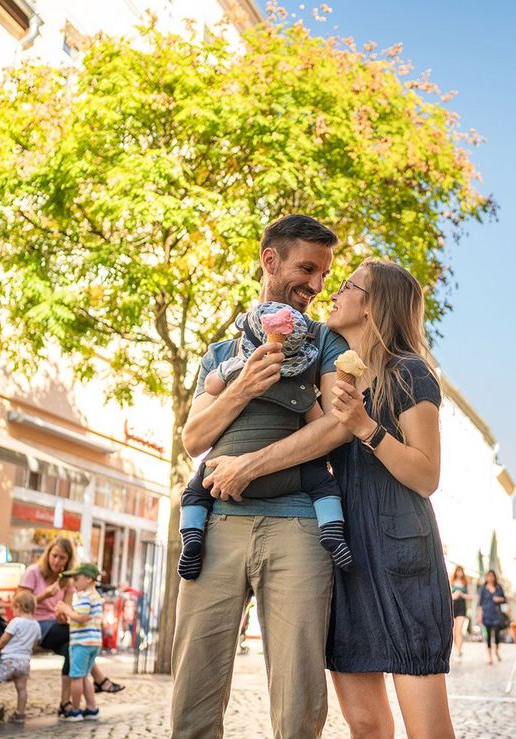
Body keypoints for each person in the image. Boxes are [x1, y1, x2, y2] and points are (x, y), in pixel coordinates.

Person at [171, 214, 351, 739]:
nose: (317, 285)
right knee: (193, 691)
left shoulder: (326, 343)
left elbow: (338, 426)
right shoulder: (221, 354)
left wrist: (251, 465)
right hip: (217, 528)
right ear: (270, 260)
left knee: (298, 700)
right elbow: (193, 439)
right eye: (307, 269)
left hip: (299, 527)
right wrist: (243, 386)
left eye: (324, 274)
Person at [326, 258, 455, 738]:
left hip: (403, 558)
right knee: (364, 725)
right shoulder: (336, 376)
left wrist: (366, 428)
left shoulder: (410, 373)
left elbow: (426, 474)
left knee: (427, 731)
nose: (334, 293)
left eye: (347, 285)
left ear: (372, 305)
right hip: (349, 558)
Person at [176, 300, 350, 580]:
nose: (318, 286)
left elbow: (211, 385)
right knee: (324, 484)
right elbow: (321, 424)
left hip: (227, 481)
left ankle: (191, 536)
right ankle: (332, 533)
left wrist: (249, 465)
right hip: (289, 479)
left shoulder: (231, 365)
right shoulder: (299, 381)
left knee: (195, 491)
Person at [16, 537, 122, 717]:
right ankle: (99, 679)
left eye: (62, 558)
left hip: (57, 629)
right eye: (54, 555)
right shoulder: (33, 572)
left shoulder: (68, 580)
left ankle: (66, 704)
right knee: (78, 639)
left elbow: (68, 610)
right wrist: (44, 595)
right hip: (34, 625)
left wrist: (62, 615)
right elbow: (20, 604)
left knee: (70, 649)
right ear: (48, 554)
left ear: (68, 560)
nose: (57, 561)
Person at [56, 563, 104, 721]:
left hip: (81, 643)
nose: (74, 583)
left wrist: (66, 610)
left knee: (76, 677)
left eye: (76, 579)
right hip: (93, 642)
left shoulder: (84, 596)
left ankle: (75, 710)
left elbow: (82, 617)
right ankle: (91, 708)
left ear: (88, 579)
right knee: (84, 676)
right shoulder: (96, 596)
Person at [0, 591, 41, 725]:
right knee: (21, 688)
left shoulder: (16, 622)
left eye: (13, 609)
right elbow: (36, 643)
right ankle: (20, 714)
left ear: (18, 606)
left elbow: (6, 637)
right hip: (24, 663)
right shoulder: (36, 625)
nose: (13, 612)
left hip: (10, 661)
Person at [477, 570, 507, 664]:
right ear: (486, 577)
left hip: (496, 614)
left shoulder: (498, 587)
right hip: (486, 614)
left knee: (497, 635)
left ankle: (497, 651)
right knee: (488, 636)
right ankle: (489, 656)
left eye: (492, 576)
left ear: (494, 577)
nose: (490, 578)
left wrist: (499, 599)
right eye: (488, 576)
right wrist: (479, 615)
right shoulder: (483, 588)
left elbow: (505, 599)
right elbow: (480, 603)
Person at [450, 566, 473, 658]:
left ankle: (458, 651)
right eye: (458, 571)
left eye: (461, 571)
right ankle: (457, 648)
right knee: (453, 631)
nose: (459, 573)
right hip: (452, 607)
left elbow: (470, 596)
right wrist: (455, 595)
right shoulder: (451, 582)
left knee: (459, 630)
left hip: (461, 608)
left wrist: (462, 594)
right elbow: (447, 595)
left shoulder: (466, 583)